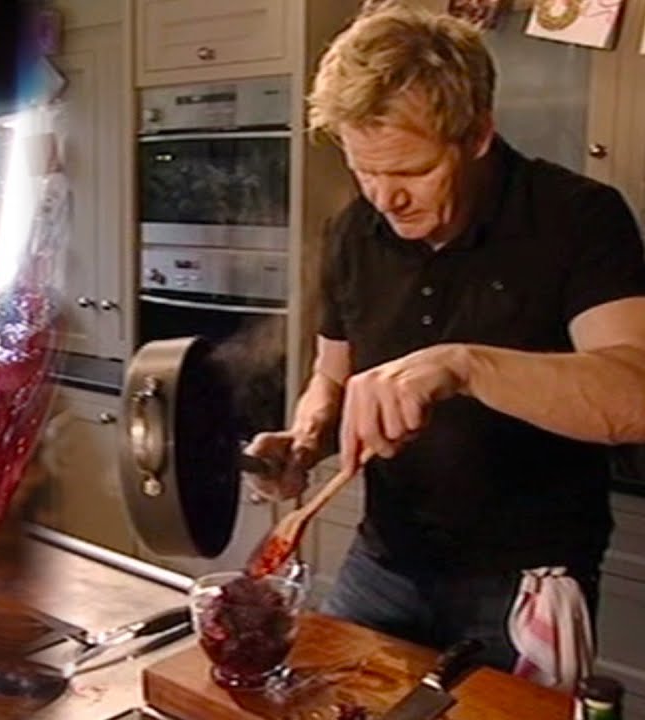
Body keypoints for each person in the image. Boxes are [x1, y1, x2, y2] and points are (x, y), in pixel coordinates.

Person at [245, 3, 645, 672]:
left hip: (526, 581)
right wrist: (307, 438)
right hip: (382, 564)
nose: (385, 198)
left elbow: (634, 395)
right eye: (364, 170)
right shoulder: (352, 232)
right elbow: (332, 374)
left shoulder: (578, 217)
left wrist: (466, 365)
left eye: (411, 172)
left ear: (479, 133)